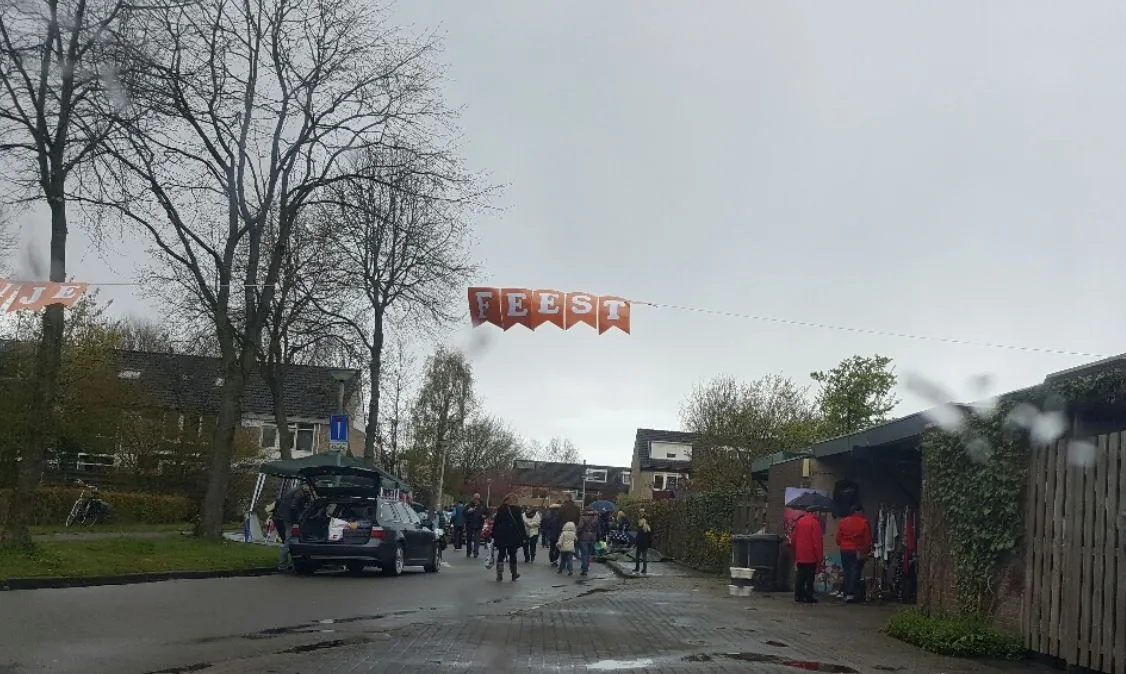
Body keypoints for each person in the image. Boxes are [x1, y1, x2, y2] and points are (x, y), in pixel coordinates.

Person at [835, 504, 873, 603]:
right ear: (859, 511)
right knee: (855, 571)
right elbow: (867, 540)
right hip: (857, 549)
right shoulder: (864, 522)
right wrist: (867, 550)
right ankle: (852, 594)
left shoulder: (843, 522)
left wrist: (842, 543)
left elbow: (838, 539)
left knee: (847, 571)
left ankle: (846, 592)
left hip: (844, 549)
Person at [275, 482, 313, 572]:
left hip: (284, 517)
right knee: (289, 541)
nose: (311, 490)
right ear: (306, 485)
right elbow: (293, 507)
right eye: (310, 488)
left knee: (290, 540)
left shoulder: (297, 490)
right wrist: (297, 520)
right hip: (290, 519)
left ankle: (289, 564)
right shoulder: (299, 493)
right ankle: (282, 565)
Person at [791, 505, 824, 604]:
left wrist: (795, 552)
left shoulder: (799, 522)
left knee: (800, 576)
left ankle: (798, 595)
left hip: (800, 554)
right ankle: (808, 596)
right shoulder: (815, 523)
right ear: (814, 512)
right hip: (810, 555)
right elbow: (817, 542)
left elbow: (794, 539)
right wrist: (819, 557)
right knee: (810, 577)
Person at [490, 494, 527, 582]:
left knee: (501, 554)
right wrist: (523, 536)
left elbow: (496, 522)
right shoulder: (517, 510)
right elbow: (520, 524)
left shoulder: (501, 509)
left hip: (501, 535)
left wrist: (493, 534)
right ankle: (514, 574)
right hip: (513, 535)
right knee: (513, 554)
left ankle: (499, 575)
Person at [577, 506, 600, 576]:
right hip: (593, 537)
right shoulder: (596, 518)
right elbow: (598, 528)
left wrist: (577, 533)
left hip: (583, 537)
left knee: (584, 553)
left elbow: (580, 527)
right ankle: (586, 566)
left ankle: (584, 569)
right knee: (588, 554)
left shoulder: (582, 517)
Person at [463, 494, 485, 559]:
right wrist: (469, 511)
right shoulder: (468, 505)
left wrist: (484, 516)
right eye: (475, 498)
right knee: (469, 539)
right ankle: (468, 552)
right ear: (473, 498)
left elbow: (487, 513)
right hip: (470, 524)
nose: (476, 500)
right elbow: (464, 513)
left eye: (478, 498)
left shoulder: (482, 505)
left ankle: (476, 552)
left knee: (477, 539)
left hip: (479, 524)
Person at [633, 508, 652, 575]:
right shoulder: (648, 527)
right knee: (644, 557)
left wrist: (635, 543)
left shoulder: (641, 529)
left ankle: (637, 568)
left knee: (638, 556)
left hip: (640, 544)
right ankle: (644, 569)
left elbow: (638, 537)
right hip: (645, 544)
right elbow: (649, 536)